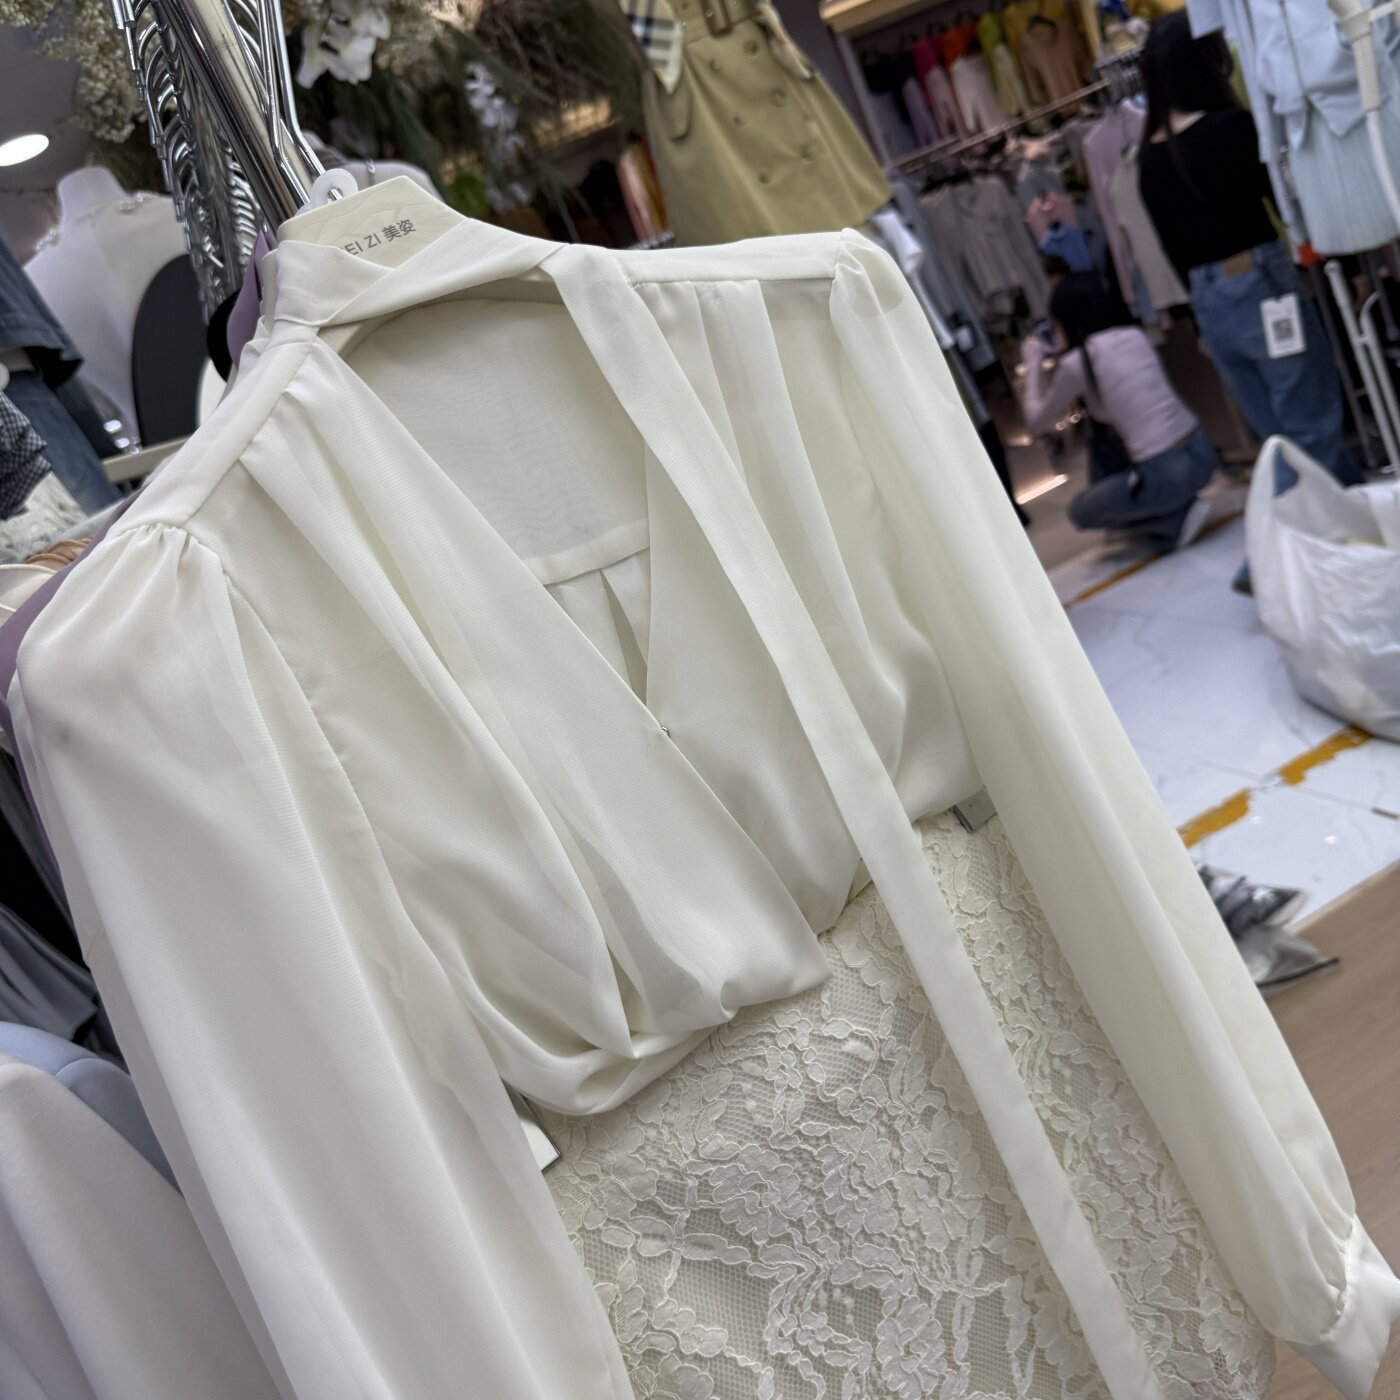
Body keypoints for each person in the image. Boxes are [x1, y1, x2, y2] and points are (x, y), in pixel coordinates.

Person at [1136, 14, 1363, 586]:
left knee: (1279, 434)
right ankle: (1266, 555)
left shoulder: (1148, 157)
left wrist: (1198, 322)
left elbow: (1169, 248)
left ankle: (1345, 535)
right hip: (1259, 284)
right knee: (1308, 424)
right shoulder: (1230, 128)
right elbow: (1283, 202)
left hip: (1209, 303)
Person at [1020, 272, 1218, 549]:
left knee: (1080, 513)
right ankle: (1173, 505)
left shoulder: (1077, 362)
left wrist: (1033, 364)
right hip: (1203, 452)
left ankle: (1171, 520)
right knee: (1102, 442)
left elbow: (1035, 422)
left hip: (1166, 471)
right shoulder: (1135, 336)